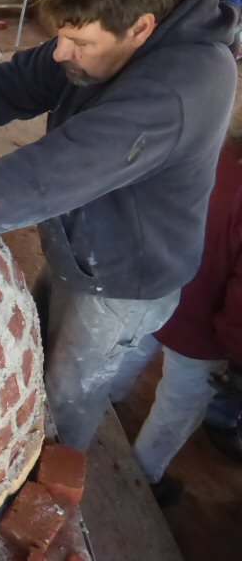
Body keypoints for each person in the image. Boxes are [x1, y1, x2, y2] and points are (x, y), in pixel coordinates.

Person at [0, 0, 238, 450]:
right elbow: (28, 78)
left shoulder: (177, 88)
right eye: (60, 35)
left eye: (80, 44)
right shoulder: (110, 36)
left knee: (64, 399)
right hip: (85, 242)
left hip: (123, 278)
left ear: (141, 29)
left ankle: (52, 487)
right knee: (34, 350)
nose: (61, 52)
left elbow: (43, 179)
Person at [108, 104, 242, 501]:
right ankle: (142, 478)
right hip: (203, 333)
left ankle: (105, 410)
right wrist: (236, 355)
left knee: (130, 354)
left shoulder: (217, 147)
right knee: (177, 407)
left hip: (159, 287)